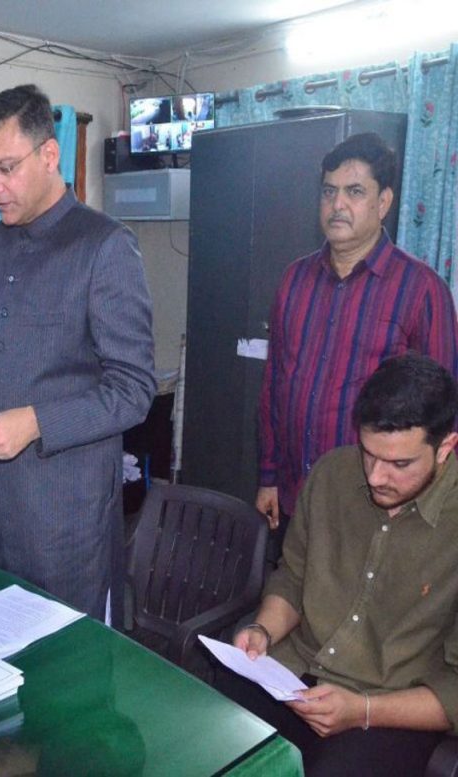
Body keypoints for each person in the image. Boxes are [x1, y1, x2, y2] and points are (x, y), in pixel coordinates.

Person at [0, 84, 155, 620]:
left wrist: (35, 422)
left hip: (66, 525)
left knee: (67, 681)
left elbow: (134, 390)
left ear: (50, 155)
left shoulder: (104, 247)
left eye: (6, 168)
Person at [220, 354, 458, 776]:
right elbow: (293, 577)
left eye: (400, 464)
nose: (376, 477)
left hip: (389, 704)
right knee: (211, 740)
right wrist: (262, 631)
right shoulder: (332, 474)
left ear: (446, 448)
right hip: (296, 670)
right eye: (369, 454)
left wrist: (362, 710)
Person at [257, 132, 458, 560]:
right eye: (329, 192)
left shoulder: (421, 290)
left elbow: (444, 414)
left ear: (383, 202)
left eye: (354, 192)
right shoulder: (295, 280)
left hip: (377, 504)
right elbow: (275, 385)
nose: (338, 205)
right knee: (292, 601)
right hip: (297, 495)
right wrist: (270, 476)